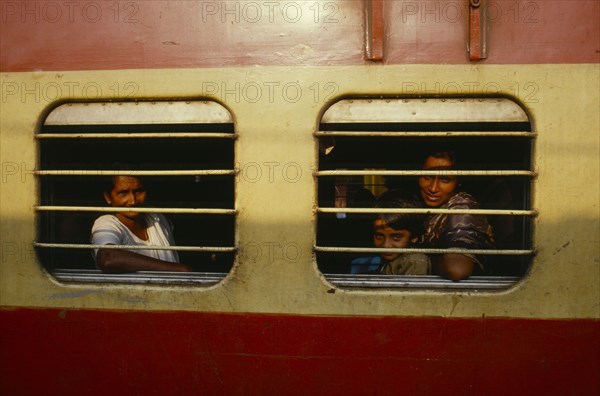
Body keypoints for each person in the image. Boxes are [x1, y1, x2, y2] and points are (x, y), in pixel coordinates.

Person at [416, 151, 495, 281]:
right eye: (428, 177)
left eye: (445, 180)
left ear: (459, 182)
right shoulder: (432, 207)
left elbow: (457, 270)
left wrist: (422, 258)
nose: (433, 188)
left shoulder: (462, 208)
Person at [91, 175, 191, 273]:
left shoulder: (156, 219)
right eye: (123, 193)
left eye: (138, 191)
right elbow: (108, 258)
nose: (133, 201)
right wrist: (176, 269)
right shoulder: (106, 223)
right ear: (108, 197)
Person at [372, 192, 431, 275]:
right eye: (379, 235)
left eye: (396, 237)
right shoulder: (393, 259)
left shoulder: (414, 262)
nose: (386, 245)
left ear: (414, 237)